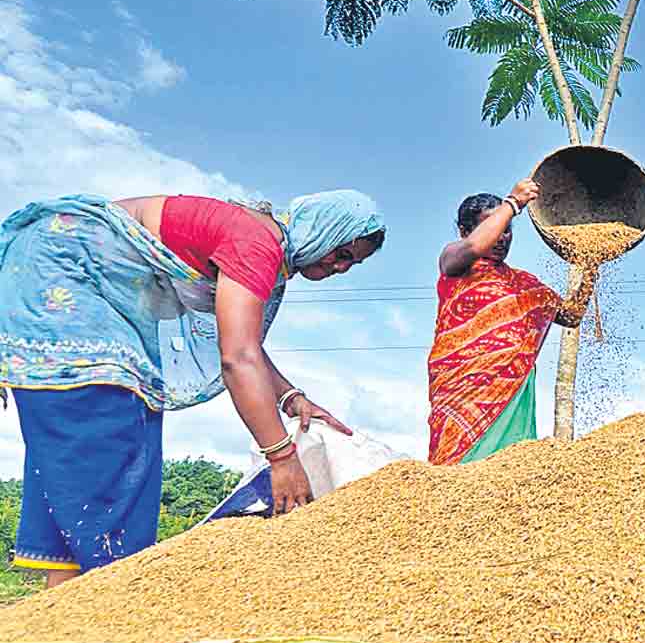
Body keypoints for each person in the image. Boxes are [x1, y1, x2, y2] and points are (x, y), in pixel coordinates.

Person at [0, 189, 386, 586]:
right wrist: (282, 458)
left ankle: (61, 609)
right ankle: (99, 602)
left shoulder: (259, 241)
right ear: (324, 229)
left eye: (351, 264)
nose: (341, 267)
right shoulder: (256, 242)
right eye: (342, 253)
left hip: (52, 272)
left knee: (84, 447)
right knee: (109, 424)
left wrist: (291, 397)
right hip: (69, 278)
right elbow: (237, 357)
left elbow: (244, 343)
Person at [428, 179, 593, 467]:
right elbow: (475, 246)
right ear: (465, 231)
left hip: (512, 391)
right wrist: (513, 204)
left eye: (507, 230)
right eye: (495, 228)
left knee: (508, 473)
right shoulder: (455, 261)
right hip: (461, 391)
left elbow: (571, 315)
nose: (502, 237)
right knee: (457, 474)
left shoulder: (524, 284)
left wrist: (591, 268)